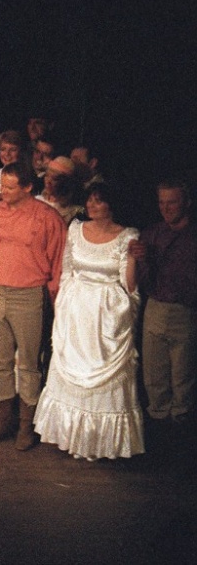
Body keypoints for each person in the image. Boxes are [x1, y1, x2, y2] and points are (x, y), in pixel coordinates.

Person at [0, 162, 66, 451]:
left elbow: (58, 263)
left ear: (28, 187)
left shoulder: (47, 218)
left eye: (9, 187)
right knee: (0, 362)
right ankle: (3, 420)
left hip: (29, 295)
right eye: (2, 186)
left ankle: (26, 425)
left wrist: (55, 300)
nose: (2, 191)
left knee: (29, 364)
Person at [33, 183, 144, 460]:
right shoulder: (75, 229)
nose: (91, 206)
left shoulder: (127, 236)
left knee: (104, 372)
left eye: (98, 201)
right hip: (76, 308)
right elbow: (67, 271)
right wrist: (62, 305)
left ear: (111, 205)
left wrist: (132, 259)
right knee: (70, 366)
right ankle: (70, 436)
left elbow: (129, 285)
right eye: (90, 201)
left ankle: (98, 443)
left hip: (106, 311)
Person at [131, 179, 196, 426]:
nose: (166, 208)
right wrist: (141, 259)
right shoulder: (151, 234)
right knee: (154, 375)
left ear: (186, 203)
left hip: (185, 311)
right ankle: (159, 426)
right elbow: (141, 280)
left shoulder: (192, 237)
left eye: (172, 202)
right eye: (161, 203)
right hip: (155, 308)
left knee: (183, 376)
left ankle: (181, 427)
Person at [36, 156, 83, 226]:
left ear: (66, 183)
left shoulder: (74, 212)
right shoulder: (37, 200)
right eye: (47, 176)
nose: (48, 182)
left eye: (54, 179)